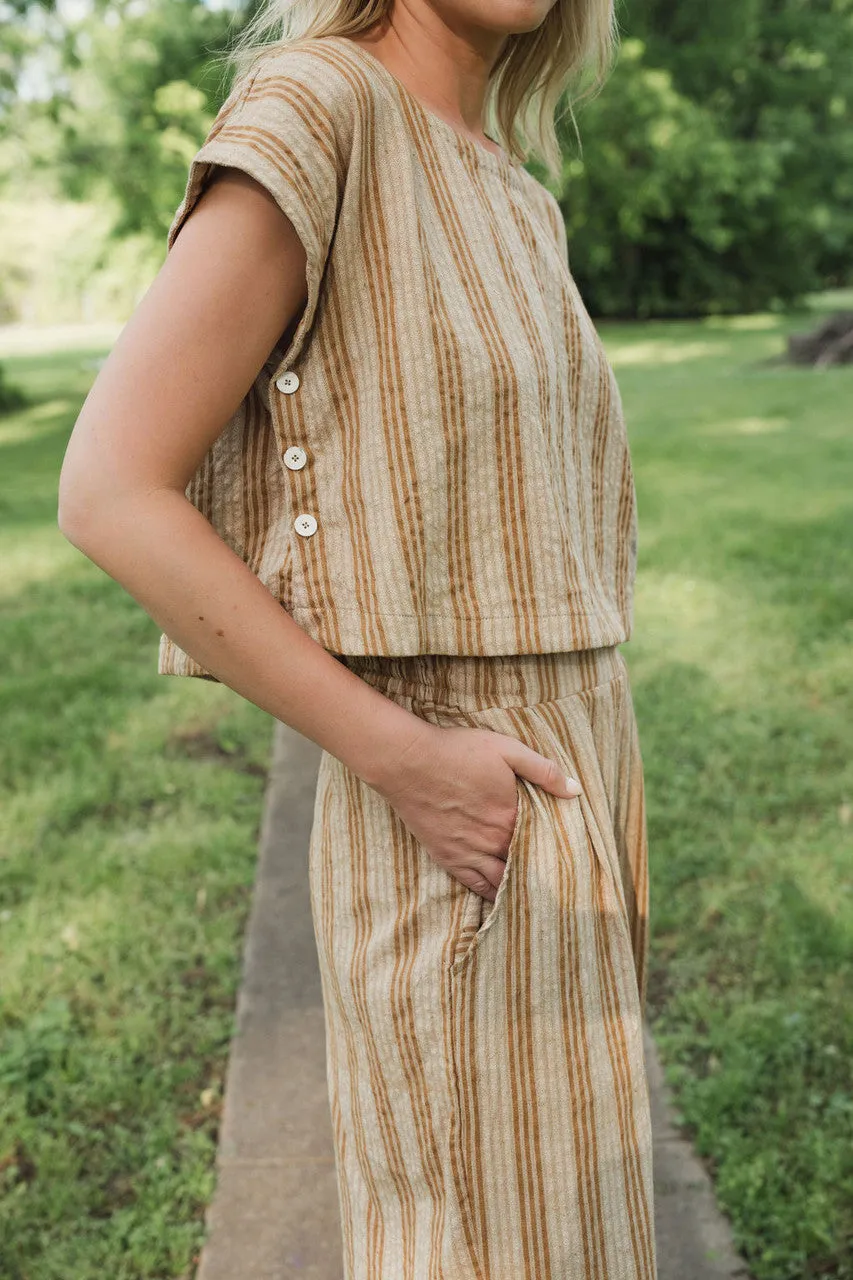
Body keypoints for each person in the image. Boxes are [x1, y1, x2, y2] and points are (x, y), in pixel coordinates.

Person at [58, 1, 656, 1276]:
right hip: (452, 811)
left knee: (576, 1233)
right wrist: (407, 759)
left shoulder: (512, 181)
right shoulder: (320, 107)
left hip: (583, 785)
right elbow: (111, 486)